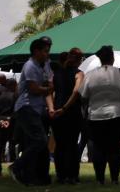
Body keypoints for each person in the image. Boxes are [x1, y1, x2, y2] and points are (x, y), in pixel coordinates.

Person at [79, 45, 120, 185]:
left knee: (99, 148)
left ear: (100, 59)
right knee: (116, 148)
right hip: (118, 114)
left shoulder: (90, 75)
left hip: (96, 116)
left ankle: (100, 179)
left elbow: (83, 95)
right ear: (112, 58)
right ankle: (115, 179)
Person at [10, 37, 54, 186]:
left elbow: (48, 86)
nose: (47, 54)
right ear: (36, 51)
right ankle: (17, 167)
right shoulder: (30, 66)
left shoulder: (44, 65)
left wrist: (51, 107)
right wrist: (48, 89)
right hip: (26, 107)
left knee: (37, 143)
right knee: (39, 141)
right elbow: (33, 88)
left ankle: (31, 176)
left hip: (36, 109)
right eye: (45, 51)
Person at [51, 48, 85, 184]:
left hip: (56, 111)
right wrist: (65, 107)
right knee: (72, 144)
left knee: (59, 145)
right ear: (79, 59)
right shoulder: (79, 74)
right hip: (71, 112)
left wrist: (52, 108)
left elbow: (49, 90)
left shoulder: (56, 74)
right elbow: (76, 91)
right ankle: (72, 175)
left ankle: (60, 175)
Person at [0, 77, 17, 163]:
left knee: (1, 140)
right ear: (13, 85)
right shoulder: (14, 96)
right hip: (11, 119)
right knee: (11, 139)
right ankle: (12, 158)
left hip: (1, 119)